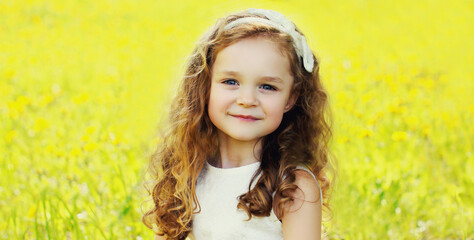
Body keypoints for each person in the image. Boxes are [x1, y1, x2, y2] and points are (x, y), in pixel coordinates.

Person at [142, 8, 335, 240]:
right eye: (231, 81)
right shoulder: (189, 171)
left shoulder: (293, 187)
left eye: (267, 86)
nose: (247, 100)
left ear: (291, 98)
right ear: (205, 87)